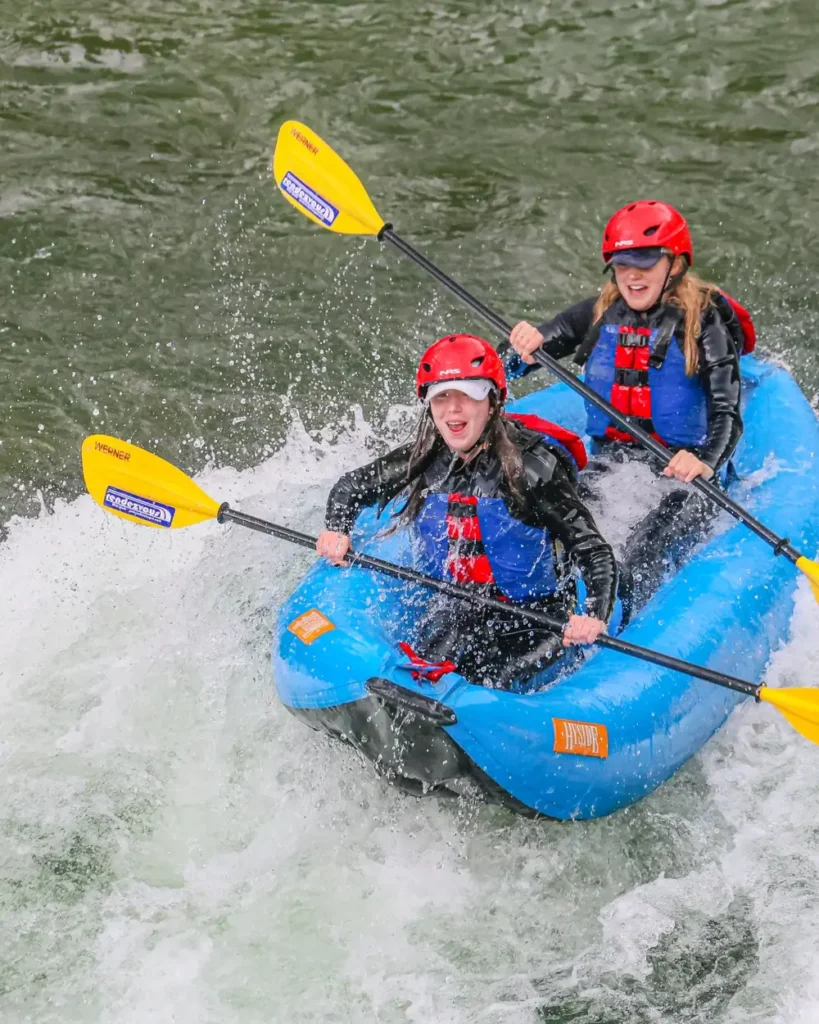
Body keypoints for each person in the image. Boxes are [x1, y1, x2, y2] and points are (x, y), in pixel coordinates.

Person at [315, 334, 619, 690]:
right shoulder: (425, 458)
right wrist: (337, 528)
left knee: (496, 680)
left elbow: (594, 552)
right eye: (442, 397)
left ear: (492, 402)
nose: (453, 410)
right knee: (417, 675)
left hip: (538, 618)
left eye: (467, 395)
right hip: (460, 608)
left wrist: (594, 616)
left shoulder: (534, 471)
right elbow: (350, 488)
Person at [506, 200, 755, 609]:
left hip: (685, 471)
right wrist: (522, 350)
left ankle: (617, 620)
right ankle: (545, 616)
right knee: (563, 531)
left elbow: (727, 411)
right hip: (614, 459)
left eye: (645, 261)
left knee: (647, 544)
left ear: (674, 265)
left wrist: (705, 461)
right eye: (623, 264)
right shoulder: (601, 311)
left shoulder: (704, 322)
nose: (632, 275)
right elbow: (518, 359)